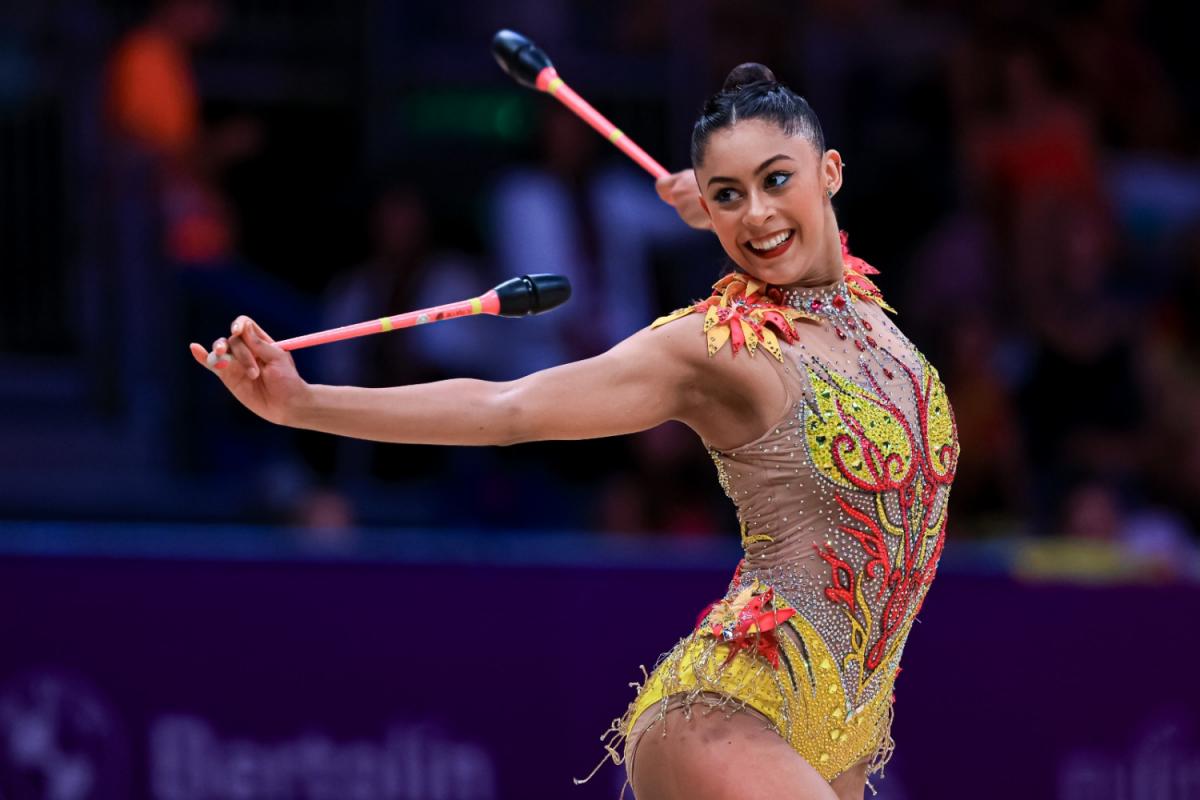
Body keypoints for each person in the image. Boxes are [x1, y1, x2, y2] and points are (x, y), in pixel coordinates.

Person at [189, 63, 960, 800]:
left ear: (831, 172)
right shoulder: (716, 347)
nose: (755, 213)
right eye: (730, 196)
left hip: (845, 729)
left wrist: (720, 190)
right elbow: (507, 409)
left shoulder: (875, 325)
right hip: (728, 716)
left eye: (775, 180)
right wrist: (306, 403)